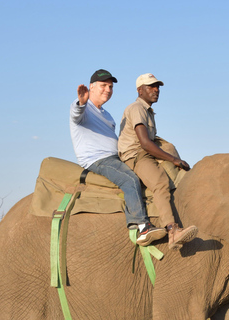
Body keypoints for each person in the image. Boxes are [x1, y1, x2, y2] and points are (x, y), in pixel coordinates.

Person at [69, 69, 167, 246]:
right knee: (129, 179)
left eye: (110, 86)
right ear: (91, 87)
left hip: (116, 157)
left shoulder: (107, 115)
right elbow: (76, 115)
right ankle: (142, 227)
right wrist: (81, 103)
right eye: (103, 86)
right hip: (99, 159)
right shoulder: (84, 108)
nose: (107, 89)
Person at [118, 73, 198, 250]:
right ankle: (172, 230)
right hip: (136, 156)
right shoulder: (136, 108)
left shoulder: (148, 111)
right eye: (151, 86)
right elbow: (145, 144)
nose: (156, 90)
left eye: (158, 87)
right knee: (161, 182)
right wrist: (174, 159)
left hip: (144, 153)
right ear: (140, 90)